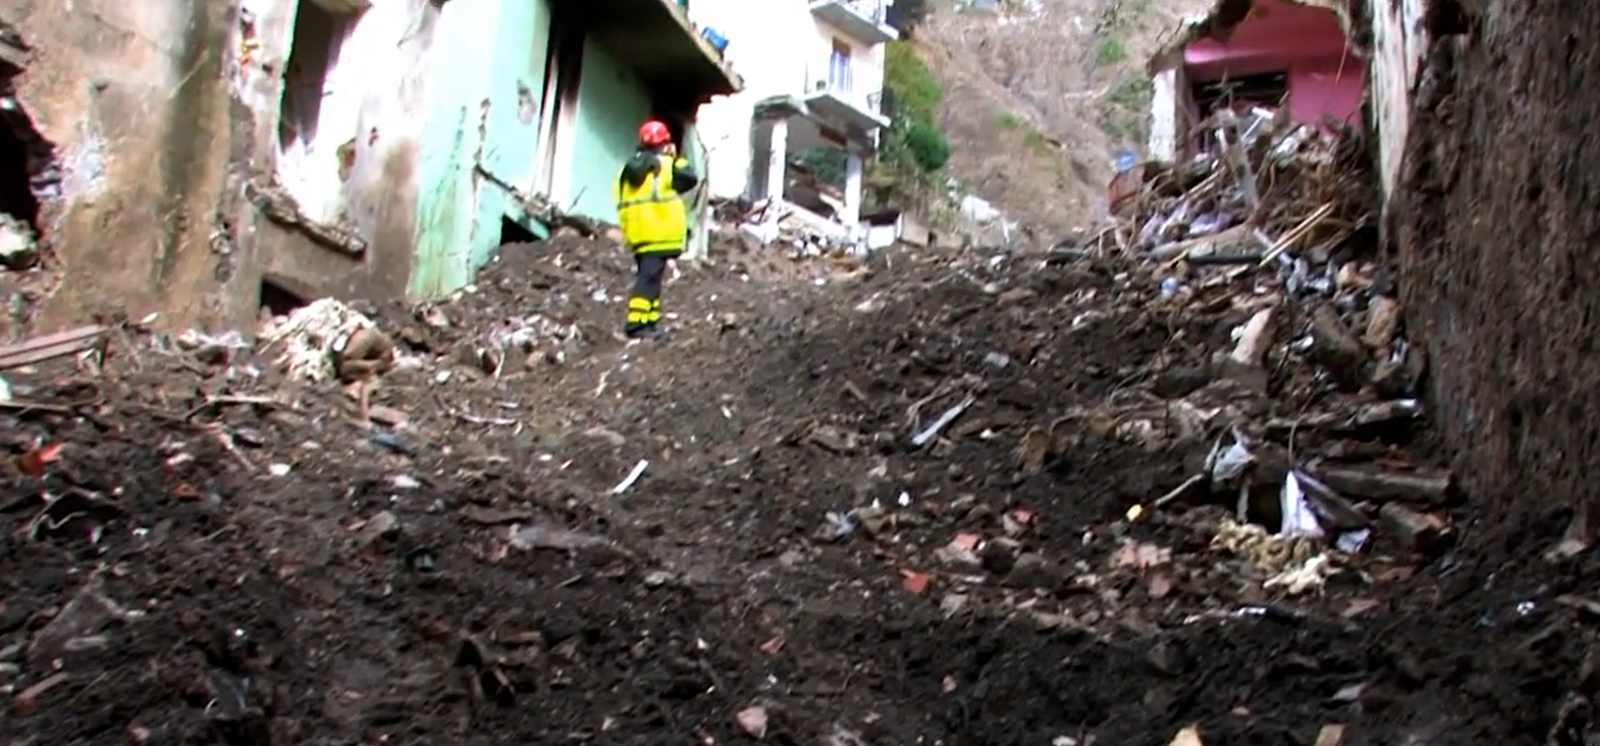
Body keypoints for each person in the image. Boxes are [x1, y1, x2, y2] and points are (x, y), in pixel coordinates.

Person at [615, 119, 699, 340]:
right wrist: (675, 157)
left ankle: (649, 323)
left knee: (651, 278)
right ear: (664, 143)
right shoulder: (666, 165)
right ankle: (636, 325)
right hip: (659, 233)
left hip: (638, 234)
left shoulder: (627, 170)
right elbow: (690, 178)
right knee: (648, 280)